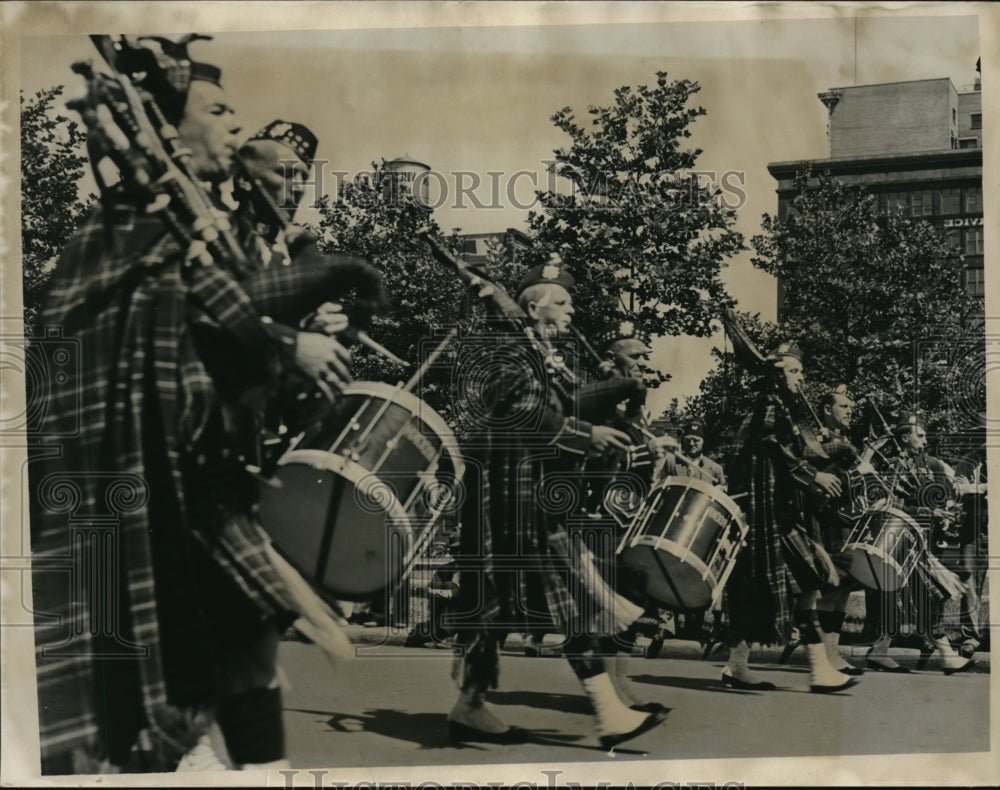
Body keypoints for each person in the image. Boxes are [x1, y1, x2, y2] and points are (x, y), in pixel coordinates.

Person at [28, 39, 353, 774]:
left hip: (209, 476)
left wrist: (297, 350)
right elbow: (149, 341)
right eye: (219, 110)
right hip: (147, 486)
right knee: (162, 690)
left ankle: (224, 763)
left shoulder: (201, 232)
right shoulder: (132, 225)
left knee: (239, 656)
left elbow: (225, 344)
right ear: (167, 130)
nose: (235, 122)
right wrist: (285, 341)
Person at [446, 260, 668, 749]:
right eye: (562, 302)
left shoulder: (544, 353)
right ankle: (607, 714)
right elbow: (521, 414)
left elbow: (572, 400)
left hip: (530, 494)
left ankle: (470, 706)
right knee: (550, 599)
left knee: (512, 604)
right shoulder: (508, 348)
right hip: (505, 495)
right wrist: (584, 434)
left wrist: (621, 387)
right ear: (534, 308)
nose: (572, 310)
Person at [722, 342, 859, 693]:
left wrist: (831, 446)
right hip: (769, 513)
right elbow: (772, 446)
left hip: (776, 512)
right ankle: (818, 671)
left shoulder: (782, 407)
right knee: (805, 585)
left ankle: (737, 666)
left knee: (768, 590)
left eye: (800, 371)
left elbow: (798, 449)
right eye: (794, 371)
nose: (800, 377)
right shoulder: (771, 403)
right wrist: (813, 476)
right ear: (777, 374)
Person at [865, 415, 974, 675]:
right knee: (915, 596)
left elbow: (944, 495)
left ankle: (881, 650)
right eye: (920, 436)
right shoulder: (891, 467)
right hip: (899, 539)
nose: (925, 441)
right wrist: (927, 512)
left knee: (918, 597)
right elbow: (884, 504)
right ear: (905, 438)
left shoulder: (932, 464)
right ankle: (945, 656)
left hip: (923, 540)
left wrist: (945, 512)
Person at [809, 386, 865, 676]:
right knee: (830, 588)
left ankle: (834, 653)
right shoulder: (815, 438)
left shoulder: (844, 441)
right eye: (843, 406)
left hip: (845, 522)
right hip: (825, 521)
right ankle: (824, 657)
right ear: (827, 409)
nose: (849, 412)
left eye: (851, 408)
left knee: (842, 590)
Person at [675, 421, 727, 490]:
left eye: (696, 440)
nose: (691, 443)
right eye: (688, 440)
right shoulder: (673, 464)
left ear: (703, 442)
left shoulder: (715, 469)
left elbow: (723, 489)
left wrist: (718, 489)